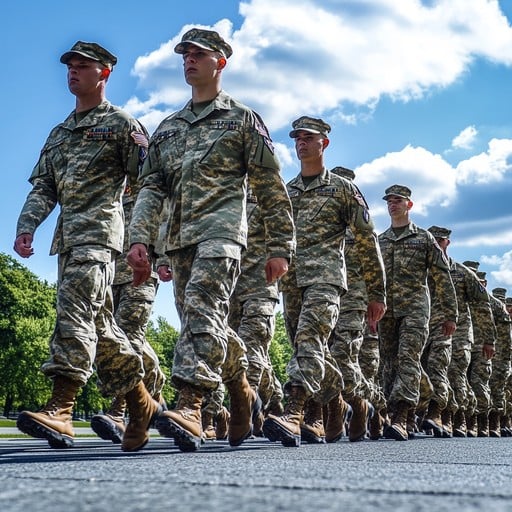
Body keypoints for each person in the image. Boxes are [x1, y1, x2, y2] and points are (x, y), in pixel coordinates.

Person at [127, 28, 295, 452]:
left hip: (223, 236)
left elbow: (270, 186)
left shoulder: (242, 120)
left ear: (220, 61)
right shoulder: (168, 129)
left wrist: (280, 247)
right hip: (180, 240)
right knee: (202, 323)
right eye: (184, 54)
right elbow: (151, 188)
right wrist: (141, 240)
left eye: (198, 54)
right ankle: (241, 389)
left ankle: (191, 405)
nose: (189, 60)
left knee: (202, 310)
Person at [13, 41, 161, 452]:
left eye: (83, 66)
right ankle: (141, 402)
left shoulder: (121, 125)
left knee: (73, 313)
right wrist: (27, 227)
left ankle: (61, 408)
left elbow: (148, 185)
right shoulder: (60, 133)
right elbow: (44, 186)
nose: (73, 72)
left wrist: (144, 242)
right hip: (67, 240)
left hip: (100, 237)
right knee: (100, 328)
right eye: (70, 66)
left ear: (104, 73)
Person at [262, 116, 387, 447]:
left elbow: (366, 240)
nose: (301, 142)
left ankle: (295, 412)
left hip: (326, 279)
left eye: (308, 137)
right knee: (309, 348)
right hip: (292, 284)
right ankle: (348, 401)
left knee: (308, 339)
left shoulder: (343, 189)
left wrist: (377, 292)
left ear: (324, 143)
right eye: (297, 138)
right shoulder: (287, 191)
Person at [378, 185, 458, 441]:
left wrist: (450, 314)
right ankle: (417, 399)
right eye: (389, 201)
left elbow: (441, 277)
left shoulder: (424, 238)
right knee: (389, 362)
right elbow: (373, 278)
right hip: (386, 311)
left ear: (409, 205)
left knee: (408, 357)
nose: (393, 204)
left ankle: (401, 416)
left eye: (398, 200)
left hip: (415, 309)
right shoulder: (381, 240)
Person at [90, 181, 167, 444]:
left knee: (130, 335)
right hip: (112, 273)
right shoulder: (114, 188)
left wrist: (164, 259)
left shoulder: (151, 186)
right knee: (115, 336)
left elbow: (165, 219)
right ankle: (154, 388)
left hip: (143, 273)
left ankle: (119, 411)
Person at [327, 166, 375, 442]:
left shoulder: (361, 227)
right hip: (325, 294)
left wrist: (376, 301)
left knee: (342, 353)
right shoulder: (322, 222)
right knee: (319, 351)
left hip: (354, 300)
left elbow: (374, 266)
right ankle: (337, 406)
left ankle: (355, 403)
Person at [487, 287, 511, 436]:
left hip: (502, 358)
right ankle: (488, 420)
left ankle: (500, 420)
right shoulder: (489, 310)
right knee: (492, 387)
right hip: (492, 355)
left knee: (500, 389)